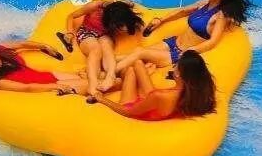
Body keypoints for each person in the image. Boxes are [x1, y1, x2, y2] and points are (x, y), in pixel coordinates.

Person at [116, 0, 252, 71]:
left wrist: (188, 52)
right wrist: (161, 20)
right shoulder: (203, 3)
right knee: (134, 55)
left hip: (179, 54)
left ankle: (110, 75)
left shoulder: (220, 16)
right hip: (173, 43)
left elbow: (213, 41)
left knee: (140, 53)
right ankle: (106, 66)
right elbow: (182, 11)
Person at [86, 51, 216, 121]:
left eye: (176, 65)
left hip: (136, 109)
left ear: (179, 74)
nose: (173, 67)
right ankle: (113, 78)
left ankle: (108, 77)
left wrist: (101, 99)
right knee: (138, 63)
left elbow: (128, 112)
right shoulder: (193, 91)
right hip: (154, 106)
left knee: (130, 71)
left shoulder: (160, 95)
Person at [59, 0, 144, 95]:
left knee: (107, 48)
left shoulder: (120, 9)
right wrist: (70, 32)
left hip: (104, 35)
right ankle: (92, 85)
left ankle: (110, 77)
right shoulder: (95, 6)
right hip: (87, 31)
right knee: (96, 50)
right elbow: (71, 16)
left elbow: (130, 6)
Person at [0, 41, 94, 94]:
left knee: (89, 76)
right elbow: (26, 88)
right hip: (47, 85)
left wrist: (44, 46)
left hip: (48, 76)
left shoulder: (1, 49)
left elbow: (22, 44)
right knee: (92, 84)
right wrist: (55, 86)